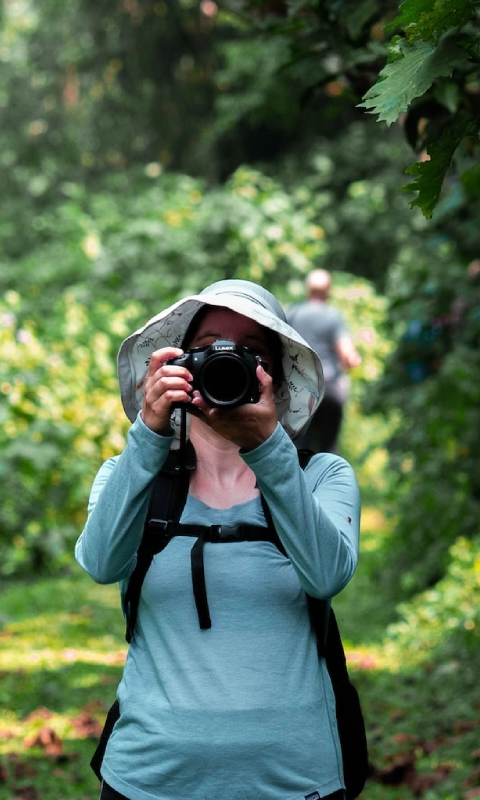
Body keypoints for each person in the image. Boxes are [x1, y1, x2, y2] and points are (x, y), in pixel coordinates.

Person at [75, 279, 362, 800]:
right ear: (176, 364)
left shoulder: (322, 475)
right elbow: (100, 562)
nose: (225, 361)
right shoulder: (131, 477)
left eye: (252, 352)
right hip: (149, 781)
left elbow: (327, 576)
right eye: (205, 349)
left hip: (295, 783)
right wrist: (147, 434)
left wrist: (266, 447)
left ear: (275, 378)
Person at [287, 269, 362, 454]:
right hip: (329, 390)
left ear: (308, 290)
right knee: (328, 449)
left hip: (299, 391)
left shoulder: (292, 314)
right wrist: (351, 361)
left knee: (299, 449)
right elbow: (348, 355)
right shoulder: (333, 316)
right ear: (328, 291)